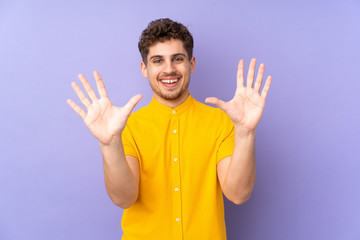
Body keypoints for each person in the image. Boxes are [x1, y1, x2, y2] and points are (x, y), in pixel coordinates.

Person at [67, 18, 272, 240]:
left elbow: (238, 194)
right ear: (144, 68)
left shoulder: (221, 122)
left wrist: (245, 133)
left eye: (177, 59)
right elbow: (124, 198)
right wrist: (109, 144)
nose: (169, 69)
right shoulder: (127, 127)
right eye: (158, 60)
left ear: (191, 64)